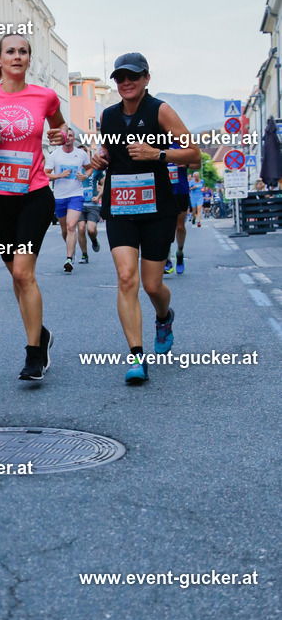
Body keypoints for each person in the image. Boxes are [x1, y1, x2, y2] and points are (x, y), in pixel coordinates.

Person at [91, 53, 200, 383]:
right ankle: (137, 357)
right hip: (121, 206)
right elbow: (111, 152)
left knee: (152, 285)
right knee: (127, 278)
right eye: (120, 77)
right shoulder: (108, 116)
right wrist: (101, 157)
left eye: (133, 77)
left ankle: (164, 316)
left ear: (146, 79)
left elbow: (194, 155)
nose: (126, 82)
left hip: (157, 209)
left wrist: (158, 154)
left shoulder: (160, 110)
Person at [0, 33, 65, 380]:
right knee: (17, 277)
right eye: (11, 51)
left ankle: (33, 354)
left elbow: (62, 131)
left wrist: (62, 137)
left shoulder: (45, 96)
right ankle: (42, 335)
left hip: (35, 194)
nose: (17, 56)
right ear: (0, 59)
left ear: (28, 59)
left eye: (23, 51)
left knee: (24, 273)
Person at [45, 129, 93, 270]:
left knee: (72, 226)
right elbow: (46, 174)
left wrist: (85, 176)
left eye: (70, 136)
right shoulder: (55, 155)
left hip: (76, 195)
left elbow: (89, 168)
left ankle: (69, 259)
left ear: (74, 139)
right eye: (65, 136)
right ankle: (71, 248)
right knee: (65, 229)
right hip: (60, 196)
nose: (68, 138)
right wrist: (59, 175)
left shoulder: (81, 154)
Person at [164, 142, 195, 275]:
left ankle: (180, 253)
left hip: (181, 189)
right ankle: (167, 259)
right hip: (164, 190)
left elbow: (197, 163)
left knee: (180, 226)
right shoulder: (157, 139)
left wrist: (185, 164)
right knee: (164, 225)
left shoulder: (182, 142)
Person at [77, 169, 104, 262]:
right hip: (78, 204)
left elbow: (105, 184)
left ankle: (94, 241)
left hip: (93, 204)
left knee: (91, 230)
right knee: (81, 228)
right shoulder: (75, 167)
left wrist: (98, 196)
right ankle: (84, 255)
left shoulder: (95, 169)